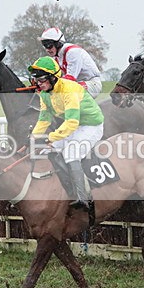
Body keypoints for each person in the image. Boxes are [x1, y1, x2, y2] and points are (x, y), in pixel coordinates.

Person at [28, 56, 104, 211]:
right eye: (36, 80)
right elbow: (44, 120)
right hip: (74, 126)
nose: (38, 84)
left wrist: (49, 137)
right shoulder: (44, 94)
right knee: (46, 150)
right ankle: (65, 188)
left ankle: (82, 197)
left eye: (41, 79)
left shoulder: (69, 89)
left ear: (53, 77)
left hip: (91, 125)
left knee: (71, 152)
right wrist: (33, 138)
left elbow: (71, 123)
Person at [38, 27, 103, 98]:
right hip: (77, 83)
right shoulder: (56, 57)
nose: (47, 49)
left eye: (48, 45)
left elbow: (70, 79)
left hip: (92, 83)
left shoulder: (72, 52)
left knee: (67, 91)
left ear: (58, 43)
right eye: (44, 46)